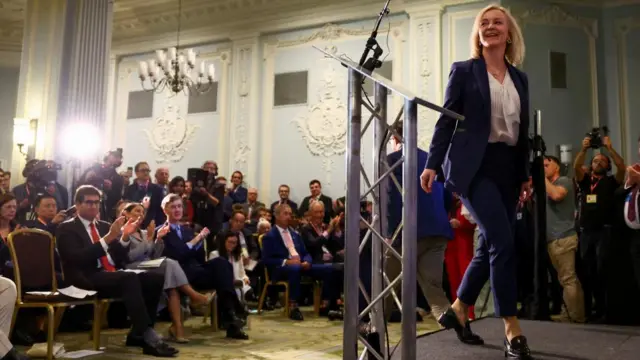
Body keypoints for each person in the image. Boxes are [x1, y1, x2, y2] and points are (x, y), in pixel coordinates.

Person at [420, 4, 532, 358]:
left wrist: (525, 175)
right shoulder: (465, 71)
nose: (491, 26)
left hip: (508, 168)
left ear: (509, 32)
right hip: (474, 168)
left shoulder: (520, 78)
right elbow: (446, 122)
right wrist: (432, 164)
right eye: (484, 22)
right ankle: (511, 327)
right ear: (478, 34)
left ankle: (457, 310)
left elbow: (522, 132)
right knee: (502, 240)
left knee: (489, 247)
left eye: (498, 22)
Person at [56, 185, 177, 357]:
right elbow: (77, 258)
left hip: (110, 273)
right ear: (77, 204)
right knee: (127, 278)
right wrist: (108, 239)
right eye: (89, 203)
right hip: (85, 276)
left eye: (97, 203)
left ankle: (137, 333)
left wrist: (125, 237)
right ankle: (147, 335)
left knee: (154, 278)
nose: (94, 206)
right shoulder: (67, 228)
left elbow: (121, 258)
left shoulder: (105, 226)